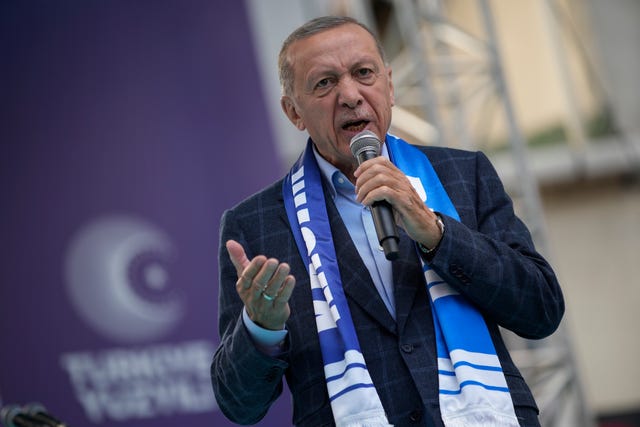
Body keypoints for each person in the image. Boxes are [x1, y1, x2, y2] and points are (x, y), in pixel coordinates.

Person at [211, 15, 564, 427]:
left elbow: (541, 310)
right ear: (294, 112)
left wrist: (437, 234)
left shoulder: (463, 174)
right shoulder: (255, 225)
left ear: (390, 85)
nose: (350, 95)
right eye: (324, 83)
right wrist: (261, 330)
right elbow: (239, 405)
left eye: (363, 73)